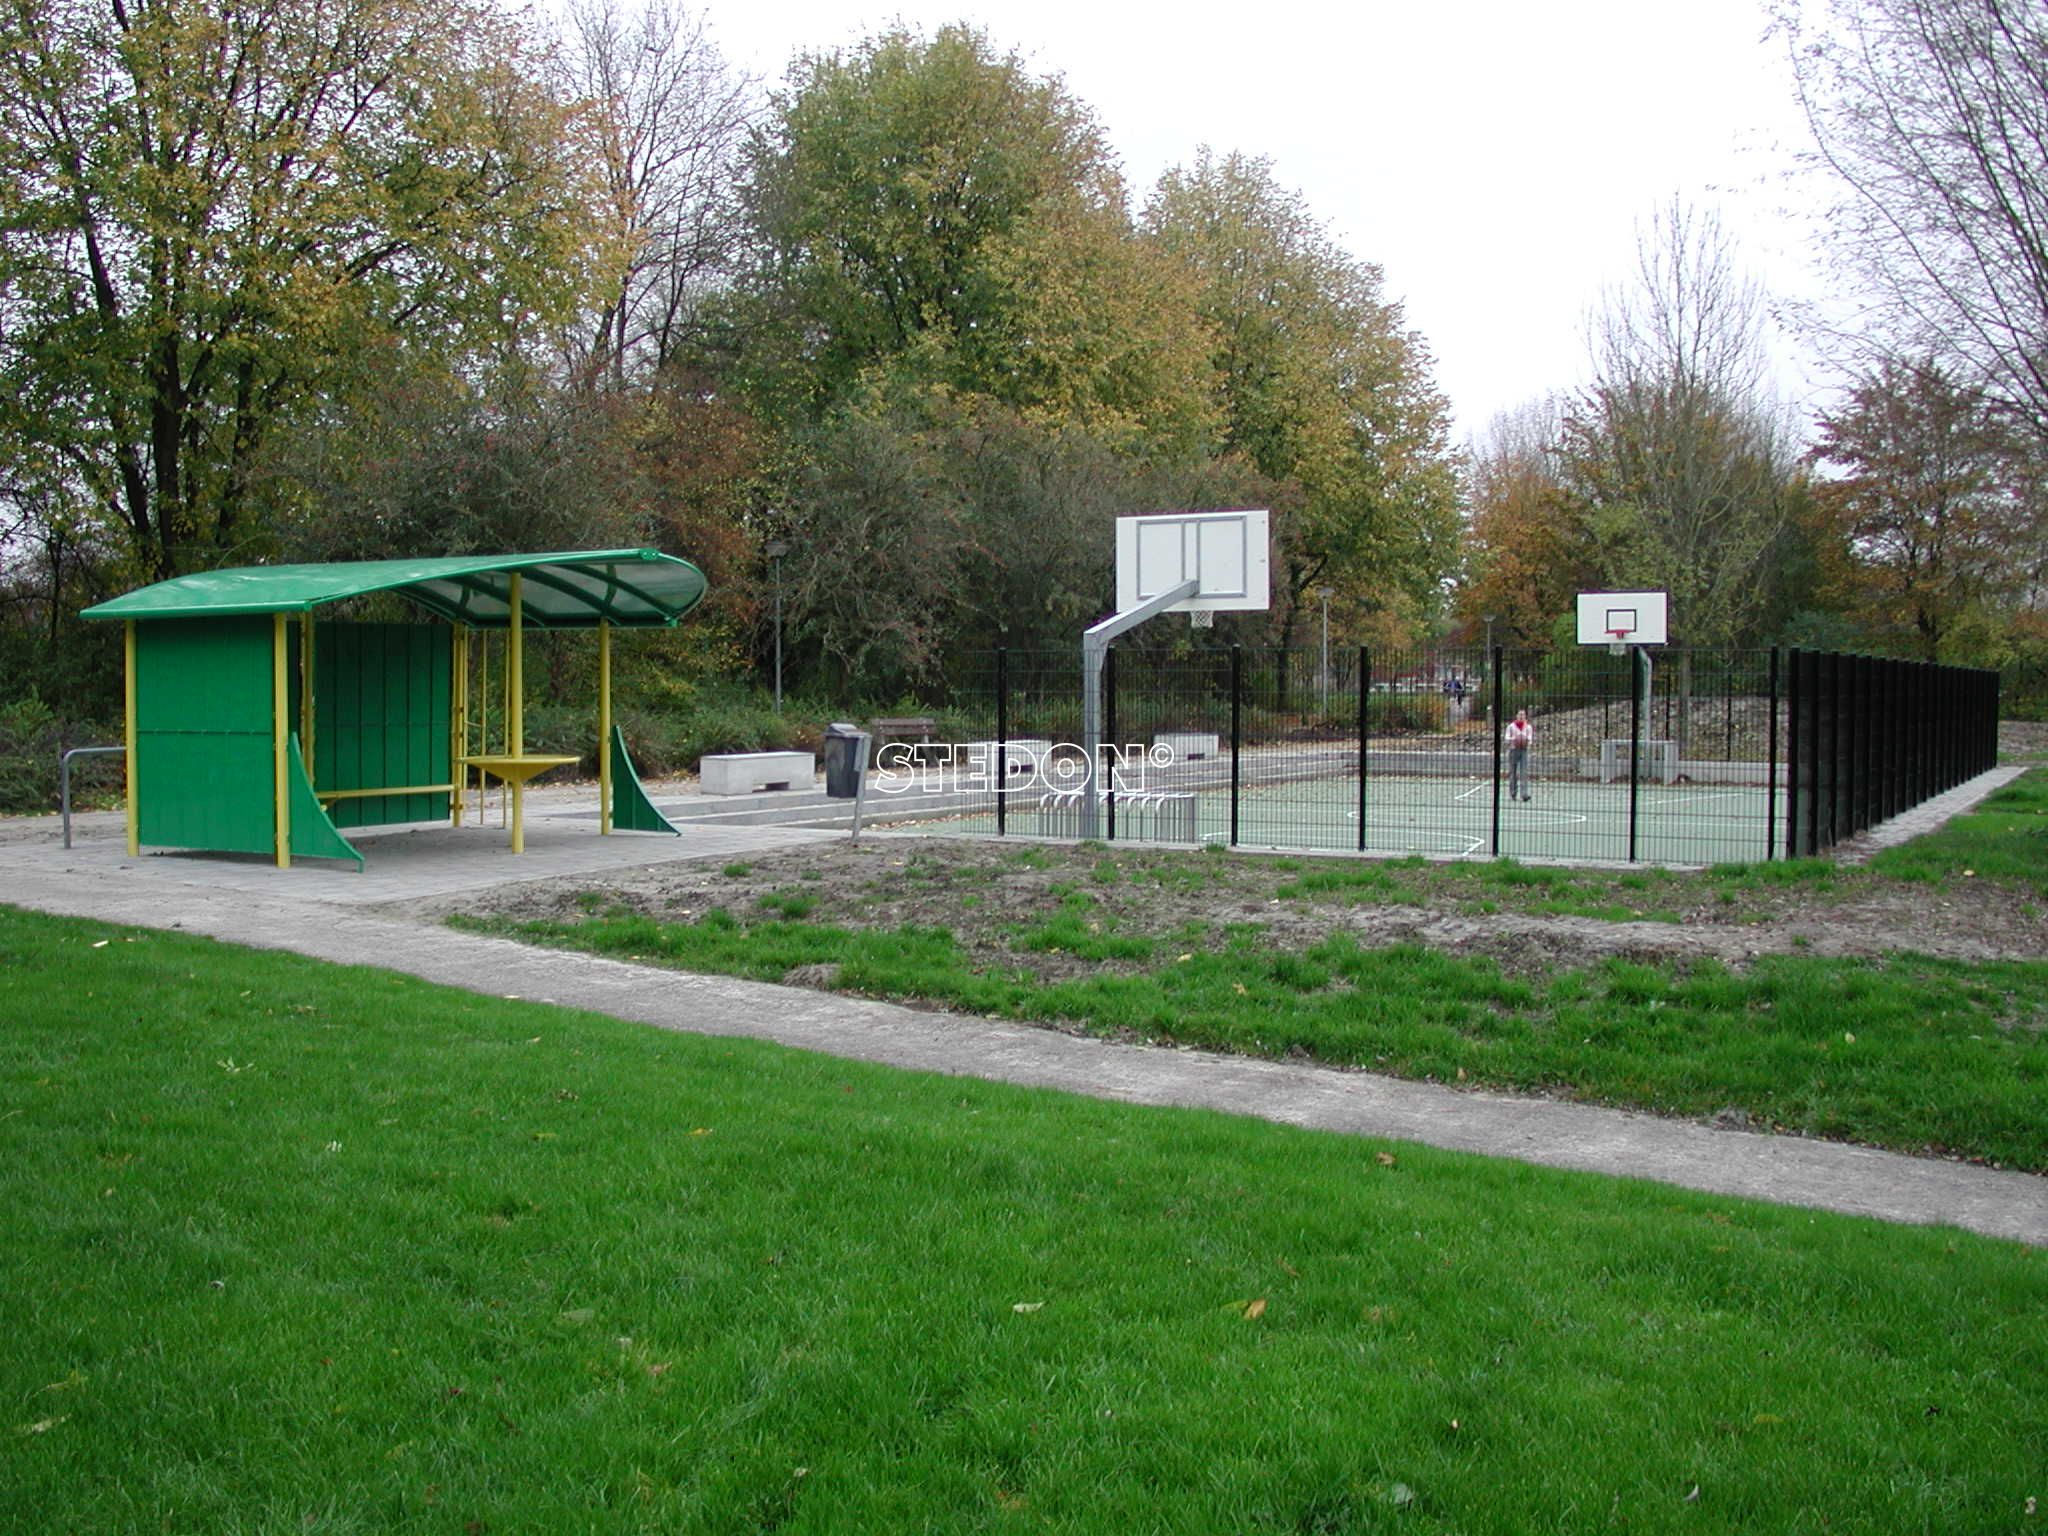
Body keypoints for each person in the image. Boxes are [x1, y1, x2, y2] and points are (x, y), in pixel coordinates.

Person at [1504, 708, 1533, 801]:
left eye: (1523, 715)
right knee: (1512, 772)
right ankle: (1513, 793)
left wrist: (1525, 741)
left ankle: (1524, 794)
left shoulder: (1528, 727)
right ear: (1516, 716)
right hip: (1513, 750)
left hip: (1524, 750)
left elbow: (1530, 739)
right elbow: (1506, 739)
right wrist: (1515, 739)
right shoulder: (1511, 727)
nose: (1521, 716)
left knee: (1524, 772)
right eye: (1520, 714)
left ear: (1525, 716)